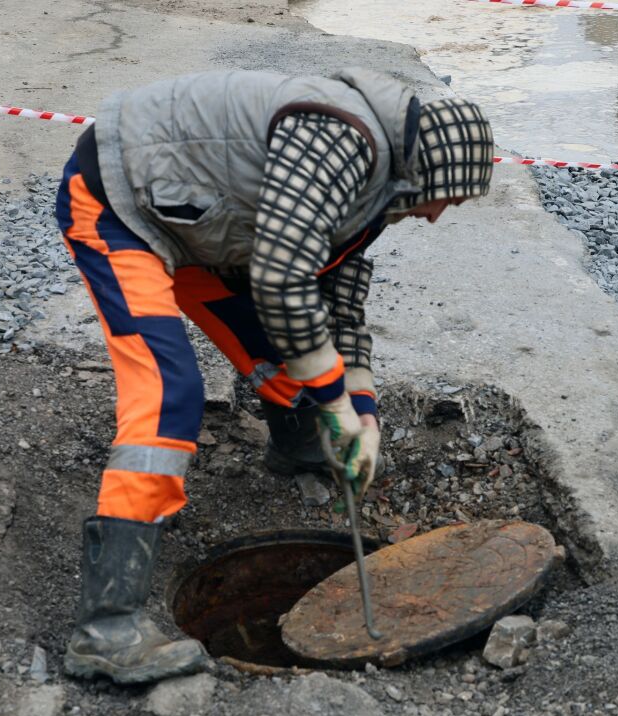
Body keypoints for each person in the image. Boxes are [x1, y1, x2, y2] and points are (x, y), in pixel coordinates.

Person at [54, 68, 494, 684]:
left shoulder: (379, 189)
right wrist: (337, 408)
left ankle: (298, 447)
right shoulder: (342, 140)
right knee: (168, 393)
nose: (439, 215)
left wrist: (360, 413)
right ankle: (107, 628)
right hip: (122, 206)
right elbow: (281, 279)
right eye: (449, 197)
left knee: (297, 354)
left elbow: (336, 303)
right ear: (429, 170)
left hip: (201, 226)